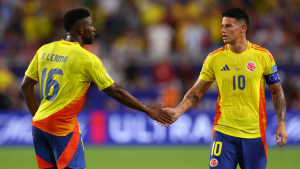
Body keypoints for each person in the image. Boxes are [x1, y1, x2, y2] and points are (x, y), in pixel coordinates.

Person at [21, 8, 173, 169]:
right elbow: (115, 91)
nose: (93, 29)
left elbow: (26, 86)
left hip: (39, 126)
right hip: (62, 127)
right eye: (90, 25)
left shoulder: (44, 49)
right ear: (81, 29)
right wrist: (147, 109)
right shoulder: (87, 58)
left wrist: (38, 117)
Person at [160, 8, 288, 169]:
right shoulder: (214, 58)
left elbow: (277, 91)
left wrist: (282, 124)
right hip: (224, 133)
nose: (222, 30)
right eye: (222, 26)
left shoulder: (263, 56)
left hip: (254, 134)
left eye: (228, 26)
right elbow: (197, 90)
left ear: (243, 28)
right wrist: (178, 111)